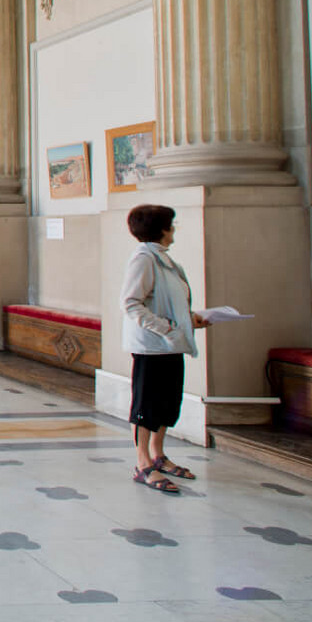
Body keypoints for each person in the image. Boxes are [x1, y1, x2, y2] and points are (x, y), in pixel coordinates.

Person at [119, 203, 210, 494]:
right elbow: (131, 303)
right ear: (162, 229)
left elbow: (170, 302)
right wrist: (168, 328)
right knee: (147, 405)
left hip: (170, 344)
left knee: (168, 402)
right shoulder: (143, 259)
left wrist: (190, 319)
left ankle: (158, 454)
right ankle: (142, 461)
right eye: (172, 224)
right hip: (151, 346)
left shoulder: (165, 260)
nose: (174, 229)